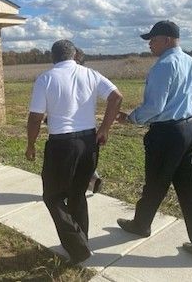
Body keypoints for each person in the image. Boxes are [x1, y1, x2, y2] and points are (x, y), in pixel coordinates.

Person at [116, 20, 192, 262]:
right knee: (191, 189)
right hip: (191, 129)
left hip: (167, 134)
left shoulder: (163, 66)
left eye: (153, 39)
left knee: (155, 183)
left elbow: (155, 106)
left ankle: (141, 225)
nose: (150, 44)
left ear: (167, 40)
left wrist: (131, 118)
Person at [25, 39, 123, 264]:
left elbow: (35, 117)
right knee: (78, 195)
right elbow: (116, 96)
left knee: (52, 196)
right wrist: (104, 129)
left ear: (53, 57)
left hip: (61, 145)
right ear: (74, 55)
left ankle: (78, 248)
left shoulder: (46, 79)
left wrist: (31, 144)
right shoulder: (90, 74)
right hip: (89, 142)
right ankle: (82, 241)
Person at [74, 47, 103, 194]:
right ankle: (93, 178)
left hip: (68, 129)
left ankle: (71, 190)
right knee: (85, 158)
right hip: (88, 127)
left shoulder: (62, 76)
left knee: (70, 162)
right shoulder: (90, 76)